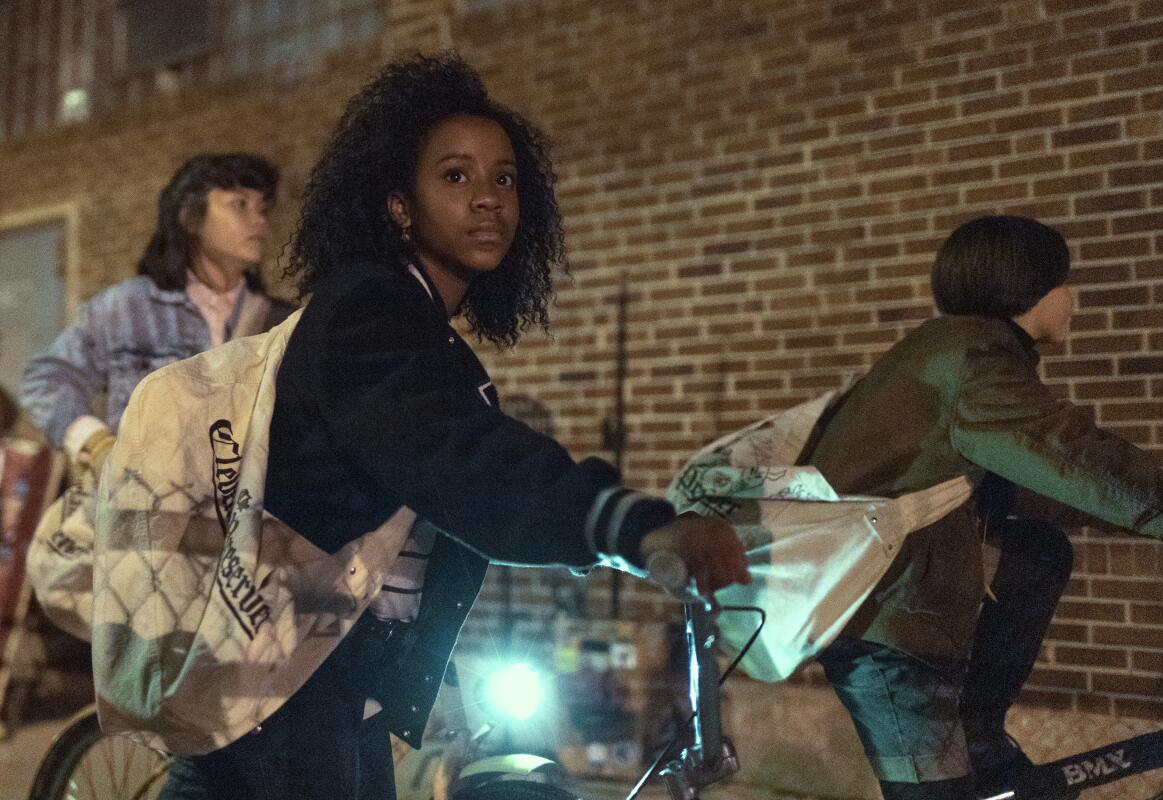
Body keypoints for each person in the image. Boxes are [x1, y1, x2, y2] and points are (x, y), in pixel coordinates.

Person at [155, 53, 750, 800]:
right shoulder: (366, 311)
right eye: (456, 176)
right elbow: (463, 461)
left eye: (505, 178)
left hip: (323, 688)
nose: (488, 200)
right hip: (280, 708)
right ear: (400, 204)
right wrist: (628, 524)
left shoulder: (428, 337)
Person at [799, 215, 1163, 800]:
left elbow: (1046, 489)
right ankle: (972, 740)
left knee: (1037, 551)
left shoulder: (949, 352)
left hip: (904, 609)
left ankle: (978, 730)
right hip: (888, 628)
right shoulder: (974, 363)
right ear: (1028, 291)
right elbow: (1077, 462)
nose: (1072, 299)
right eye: (1063, 282)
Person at [20, 153, 293, 471]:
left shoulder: (281, 322)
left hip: (249, 510)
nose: (259, 221)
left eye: (262, 209)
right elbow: (47, 378)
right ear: (190, 216)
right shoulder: (128, 307)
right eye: (239, 204)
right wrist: (95, 443)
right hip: (144, 506)